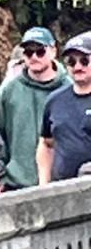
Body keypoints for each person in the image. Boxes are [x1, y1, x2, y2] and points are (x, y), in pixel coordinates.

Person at [0, 26, 71, 190]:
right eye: (28, 52)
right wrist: (1, 175)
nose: (34, 57)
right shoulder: (8, 92)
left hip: (63, 184)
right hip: (17, 185)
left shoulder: (70, 89)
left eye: (40, 51)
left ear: (53, 51)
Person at [38, 32, 91, 184]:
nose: (78, 67)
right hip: (62, 194)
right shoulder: (54, 100)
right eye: (71, 62)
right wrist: (43, 186)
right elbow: (46, 143)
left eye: (84, 61)